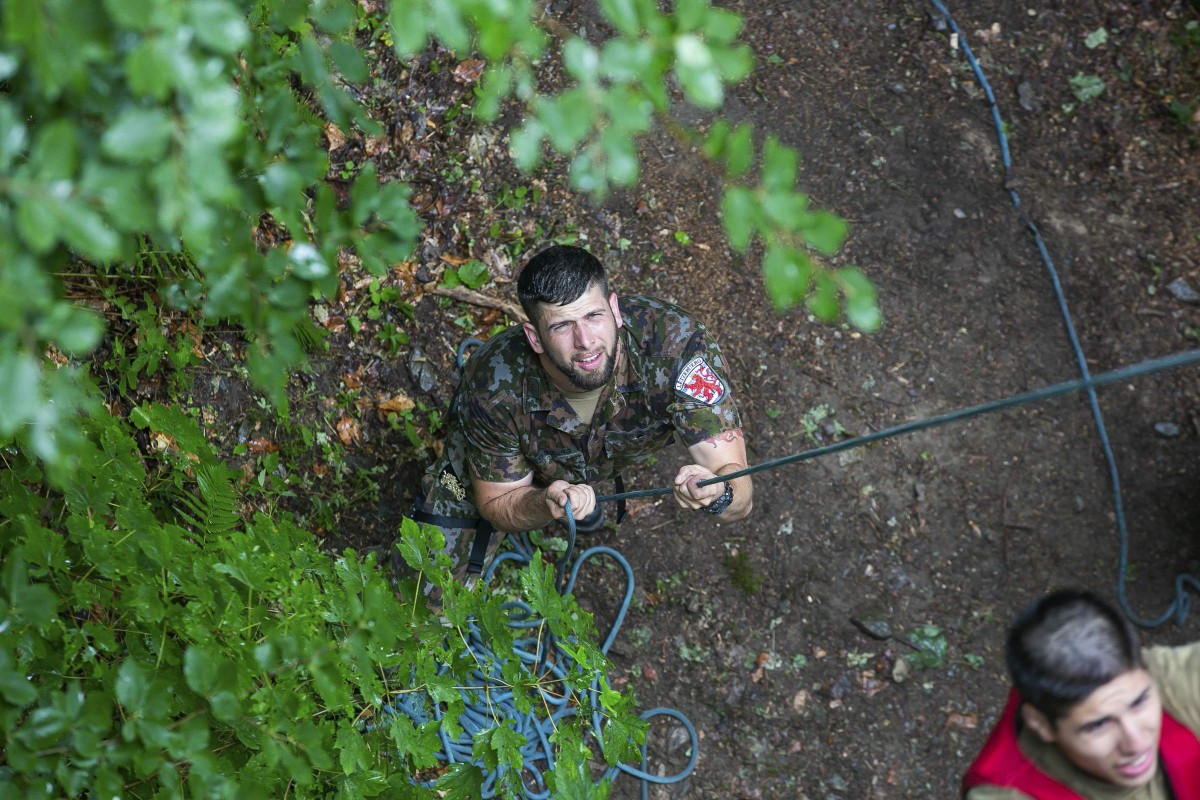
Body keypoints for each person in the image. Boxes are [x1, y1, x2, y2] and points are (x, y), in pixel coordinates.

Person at [405, 243, 752, 583]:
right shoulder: (495, 386)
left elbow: (739, 490)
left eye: (593, 316)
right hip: (500, 467)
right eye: (561, 326)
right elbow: (496, 502)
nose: (585, 340)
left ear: (615, 310)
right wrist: (546, 503)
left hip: (595, 460)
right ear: (536, 337)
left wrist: (719, 494)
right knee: (428, 583)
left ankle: (582, 493)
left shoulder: (677, 349)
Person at [962, 589, 1200, 799]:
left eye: (1139, 702)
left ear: (1146, 670)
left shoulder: (1175, 679)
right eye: (1098, 725)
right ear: (1041, 724)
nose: (1136, 743)